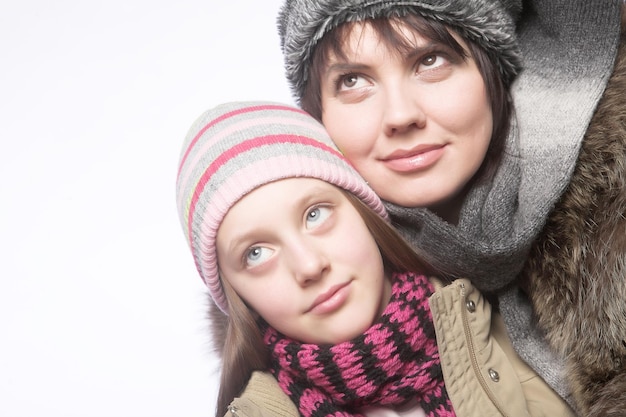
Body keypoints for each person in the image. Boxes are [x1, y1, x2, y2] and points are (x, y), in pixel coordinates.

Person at [276, 0, 626, 415]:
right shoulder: (307, 304)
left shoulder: (612, 192)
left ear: (493, 72)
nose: (400, 115)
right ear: (320, 117)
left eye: (431, 59)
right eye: (352, 80)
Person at [175, 101, 565, 417]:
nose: (309, 266)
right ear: (237, 294)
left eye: (315, 214)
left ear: (363, 211)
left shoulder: (533, 334)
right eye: (256, 254)